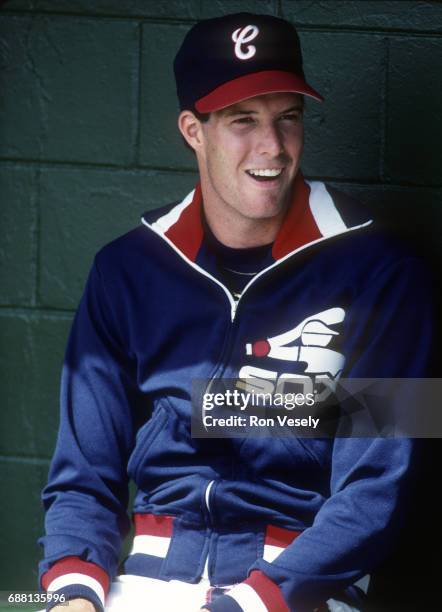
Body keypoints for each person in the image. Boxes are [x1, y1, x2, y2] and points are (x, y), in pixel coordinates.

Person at [38, 12, 433, 612]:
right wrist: (73, 590)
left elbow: (378, 490)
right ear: (193, 130)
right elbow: (81, 474)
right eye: (242, 121)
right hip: (145, 577)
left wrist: (246, 603)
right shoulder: (126, 271)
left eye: (288, 119)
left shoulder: (384, 273)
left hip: (300, 587)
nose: (272, 147)